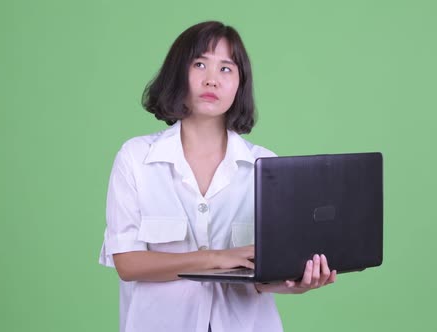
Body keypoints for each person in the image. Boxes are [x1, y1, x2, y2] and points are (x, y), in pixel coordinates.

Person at [99, 21, 337, 332]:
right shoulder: (135, 158)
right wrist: (215, 258)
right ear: (177, 73)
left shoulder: (264, 165)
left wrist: (296, 283)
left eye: (226, 69)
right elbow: (128, 264)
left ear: (240, 84)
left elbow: (261, 280)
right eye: (200, 64)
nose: (212, 80)